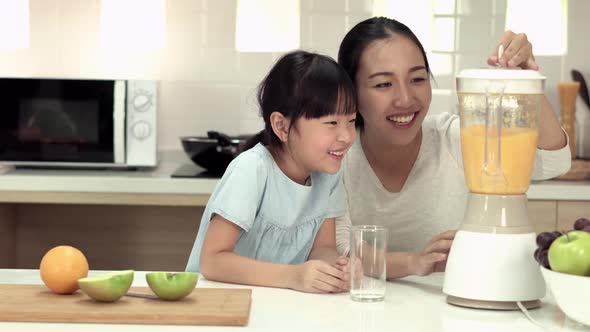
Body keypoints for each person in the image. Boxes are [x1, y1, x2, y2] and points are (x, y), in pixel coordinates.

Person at [335, 17, 571, 279]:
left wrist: (529, 78)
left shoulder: (454, 139)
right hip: (364, 313)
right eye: (383, 84)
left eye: (417, 79)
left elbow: (553, 161)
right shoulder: (337, 157)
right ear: (350, 94)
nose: (405, 98)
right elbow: (339, 247)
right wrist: (414, 262)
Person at [185, 50, 357, 293]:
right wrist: (294, 276)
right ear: (282, 126)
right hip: (218, 303)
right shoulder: (252, 170)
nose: (348, 136)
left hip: (275, 308)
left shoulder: (329, 173)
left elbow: (324, 247)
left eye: (352, 121)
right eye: (332, 123)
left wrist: (337, 268)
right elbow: (213, 261)